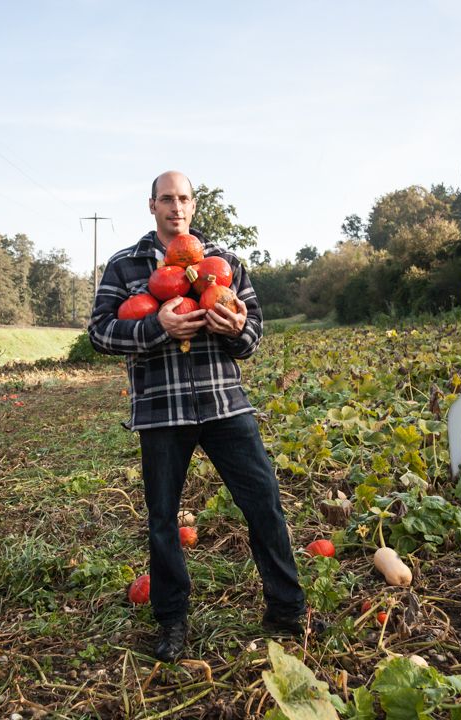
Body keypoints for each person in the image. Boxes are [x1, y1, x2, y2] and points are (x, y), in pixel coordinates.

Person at [87, 171, 307, 662]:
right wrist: (154, 325)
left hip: (224, 404)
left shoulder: (223, 263)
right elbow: (99, 333)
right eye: (166, 199)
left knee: (264, 503)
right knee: (162, 519)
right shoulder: (125, 266)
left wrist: (235, 327)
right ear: (152, 206)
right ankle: (171, 620)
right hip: (161, 410)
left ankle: (287, 610)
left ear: (193, 204)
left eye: (183, 198)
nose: (176, 207)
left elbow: (252, 337)